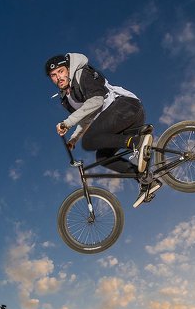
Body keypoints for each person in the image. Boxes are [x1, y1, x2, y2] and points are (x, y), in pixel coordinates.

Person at [45, 52, 160, 207]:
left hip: (126, 107)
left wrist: (67, 122)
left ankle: (137, 142)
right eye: (53, 75)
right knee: (103, 157)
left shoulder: (82, 74)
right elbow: (87, 117)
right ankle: (147, 181)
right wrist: (74, 139)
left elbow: (97, 101)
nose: (58, 77)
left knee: (89, 141)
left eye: (61, 71)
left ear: (68, 69)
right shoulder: (66, 99)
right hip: (117, 122)